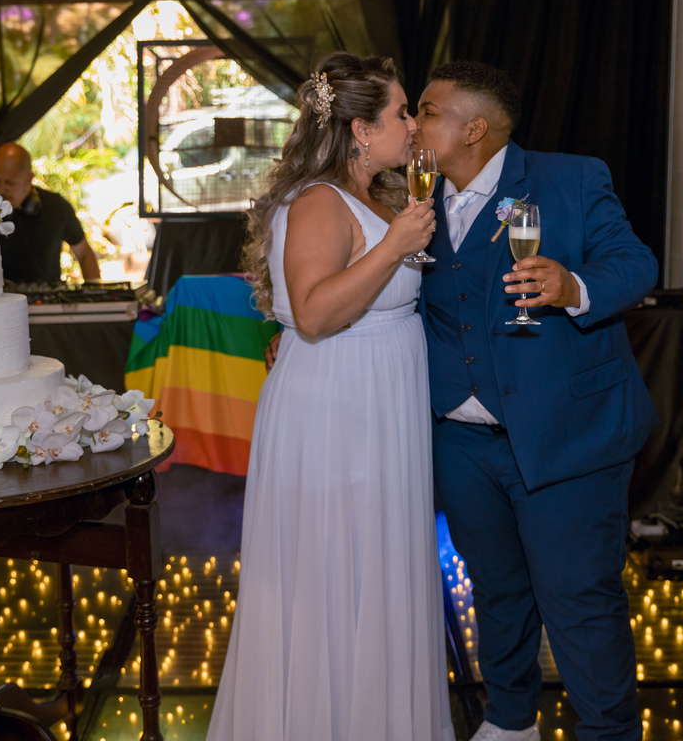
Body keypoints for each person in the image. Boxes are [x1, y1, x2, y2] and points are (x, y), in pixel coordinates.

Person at [207, 53, 453, 741]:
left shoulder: (377, 195)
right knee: (336, 572)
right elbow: (314, 315)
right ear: (359, 130)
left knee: (376, 569)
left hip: (378, 404)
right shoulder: (319, 201)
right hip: (341, 410)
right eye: (400, 113)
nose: (412, 125)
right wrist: (394, 246)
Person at [414, 62, 658, 741]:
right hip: (461, 442)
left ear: (474, 129)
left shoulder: (571, 179)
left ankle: (609, 732)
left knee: (580, 599)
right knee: (496, 590)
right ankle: (510, 719)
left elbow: (635, 264)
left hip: (567, 434)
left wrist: (573, 285)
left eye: (427, 111)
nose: (413, 124)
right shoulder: (411, 199)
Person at [0, 142, 102, 283]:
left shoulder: (57, 207)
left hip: (49, 297)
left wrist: (93, 291)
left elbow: (85, 255)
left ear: (30, 178)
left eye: (10, 183)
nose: (1, 189)